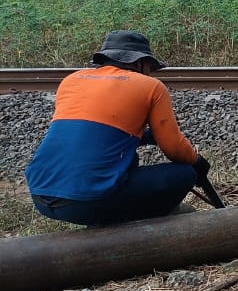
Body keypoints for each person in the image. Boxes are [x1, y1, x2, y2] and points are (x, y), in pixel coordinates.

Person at [25, 30, 207, 226]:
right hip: (89, 203)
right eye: (149, 68)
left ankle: (104, 217)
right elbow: (173, 148)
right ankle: (141, 227)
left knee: (129, 160)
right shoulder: (151, 86)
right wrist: (197, 161)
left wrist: (144, 137)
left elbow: (91, 134)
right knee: (185, 174)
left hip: (40, 196)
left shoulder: (71, 80)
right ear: (140, 63)